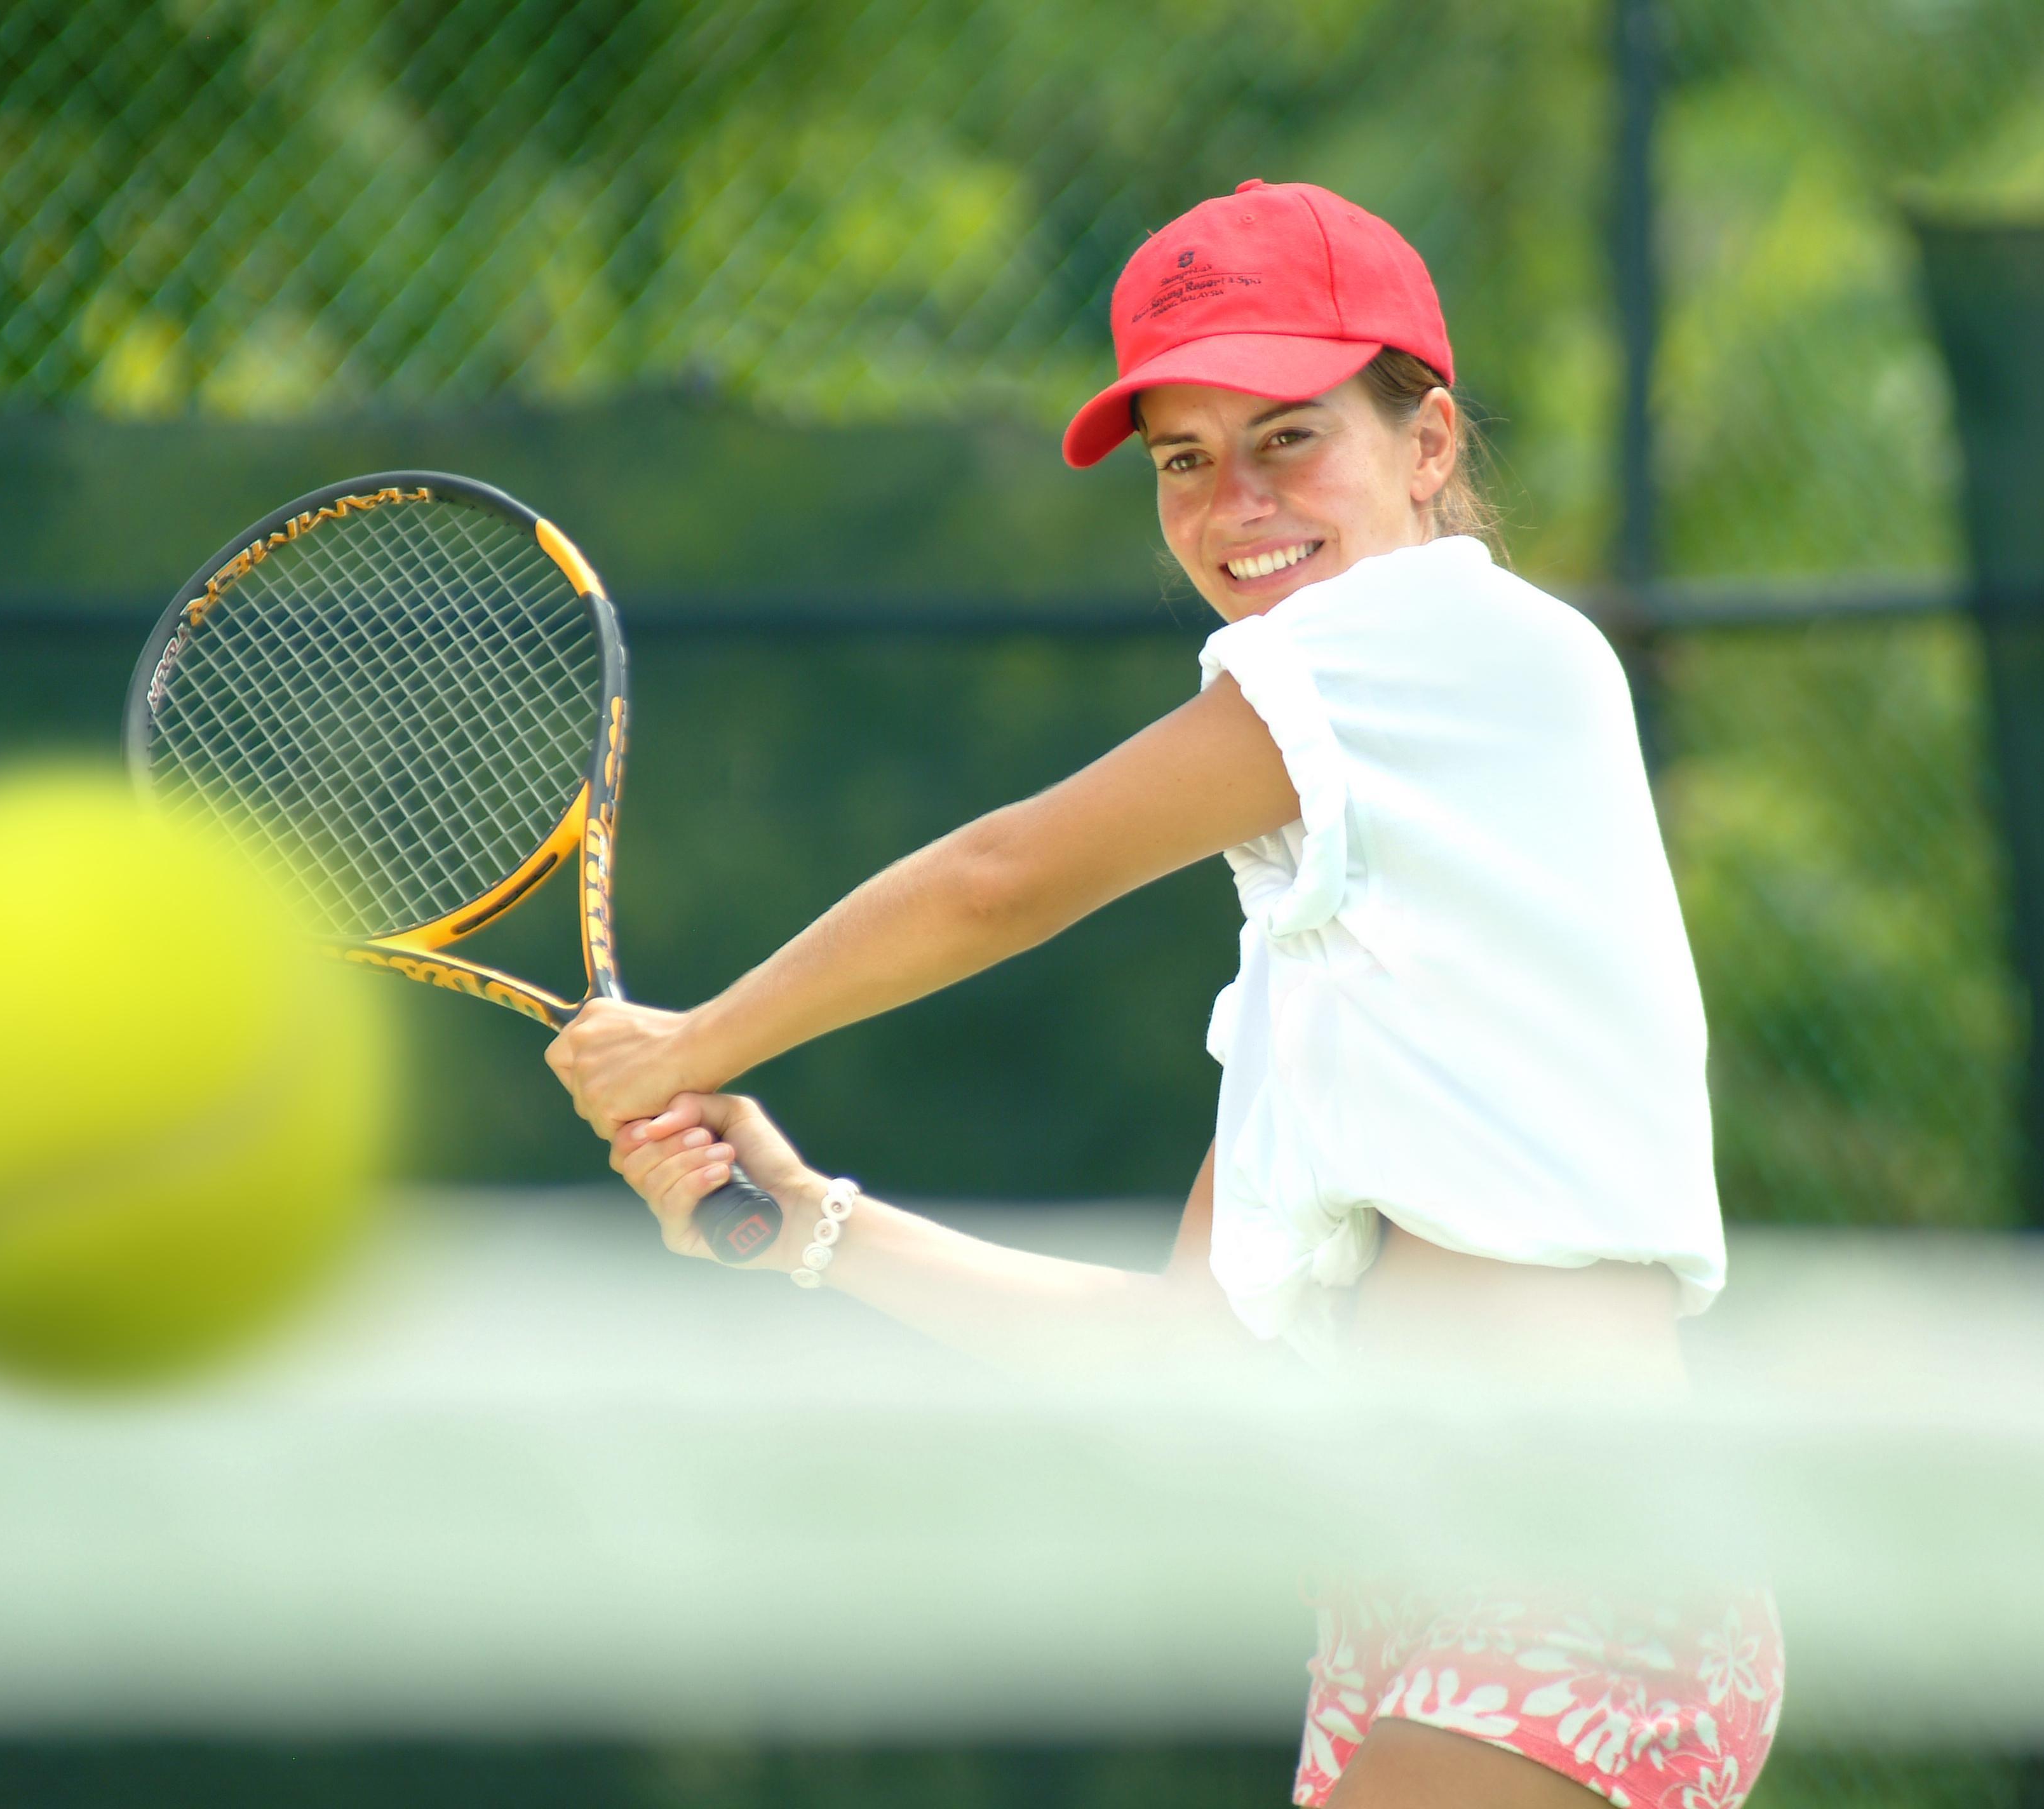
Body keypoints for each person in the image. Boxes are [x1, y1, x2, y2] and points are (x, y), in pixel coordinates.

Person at [548, 178, 1781, 1807]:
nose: (1232, 503)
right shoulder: (1334, 960)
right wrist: (813, 1225)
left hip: (1555, 1557)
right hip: (1426, 1612)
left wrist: (692, 1045)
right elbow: (1191, 1351)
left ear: (1425, 447)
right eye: (1183, 460)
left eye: (1289, 437)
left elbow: (1008, 874)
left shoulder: (1454, 639)